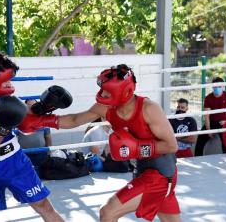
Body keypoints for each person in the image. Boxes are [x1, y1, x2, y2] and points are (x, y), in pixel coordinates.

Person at [19, 64, 181, 222]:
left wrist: (136, 148)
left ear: (125, 91)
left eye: (108, 91)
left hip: (160, 175)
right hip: (143, 170)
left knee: (108, 212)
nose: (102, 93)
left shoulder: (149, 109)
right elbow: (75, 119)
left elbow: (171, 145)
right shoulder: (105, 108)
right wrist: (43, 121)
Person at [0, 50, 63, 222]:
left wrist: (43, 108)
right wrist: (7, 122)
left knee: (44, 206)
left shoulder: (3, 96)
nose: (8, 84)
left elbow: (25, 124)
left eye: (9, 79)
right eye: (4, 80)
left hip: (15, 162)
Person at [195, 77, 226, 156]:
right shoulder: (208, 98)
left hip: (224, 123)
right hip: (211, 122)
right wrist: (208, 130)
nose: (217, 88)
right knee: (200, 140)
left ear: (223, 87)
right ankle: (197, 158)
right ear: (212, 87)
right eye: (215, 86)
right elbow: (206, 115)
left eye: (219, 86)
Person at [18, 100, 53, 173]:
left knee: (43, 173)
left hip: (41, 153)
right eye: (29, 105)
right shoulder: (19, 119)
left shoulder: (43, 118)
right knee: (27, 174)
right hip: (25, 153)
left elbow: (48, 136)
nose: (32, 107)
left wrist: (49, 151)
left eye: (34, 105)